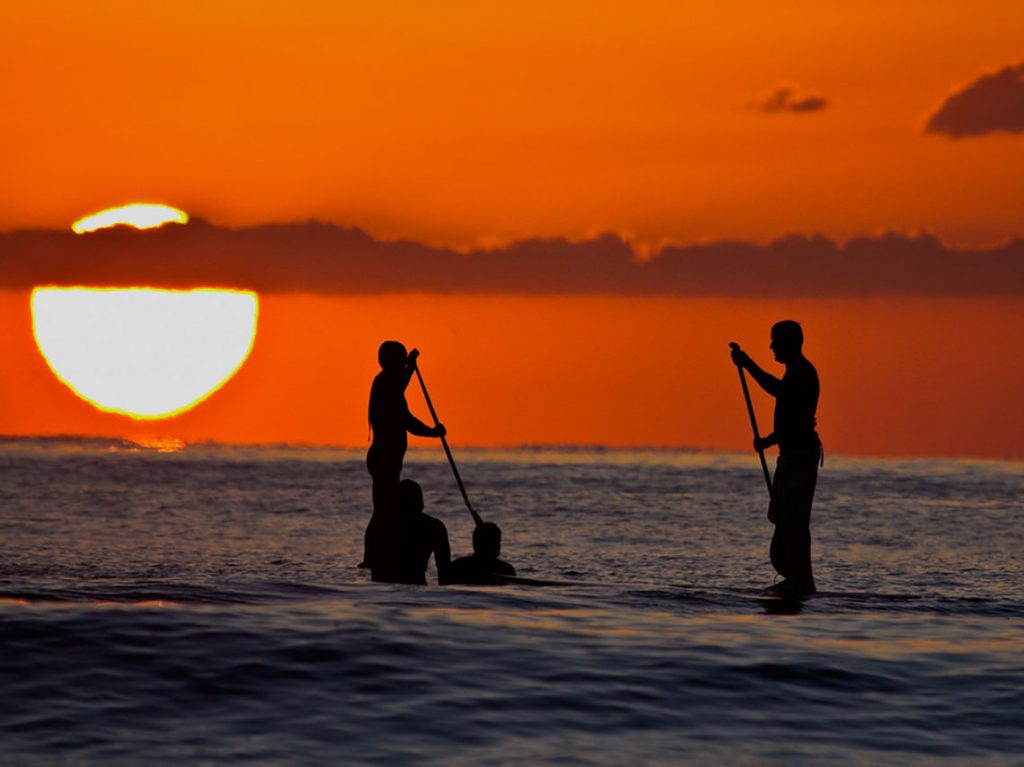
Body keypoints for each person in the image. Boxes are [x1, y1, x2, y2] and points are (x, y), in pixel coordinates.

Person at [731, 320, 821, 597]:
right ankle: (795, 577)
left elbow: (782, 397)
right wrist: (771, 441)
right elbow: (783, 400)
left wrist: (747, 364)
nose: (770, 346)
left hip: (800, 458)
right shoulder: (795, 372)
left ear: (788, 343)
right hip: (790, 456)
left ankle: (802, 581)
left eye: (774, 341)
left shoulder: (803, 373)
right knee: (783, 517)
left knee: (793, 520)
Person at [362, 341, 445, 568]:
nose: (403, 364)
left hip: (388, 457)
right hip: (383, 458)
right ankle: (370, 559)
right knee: (383, 509)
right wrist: (432, 432)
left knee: (386, 508)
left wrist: (410, 366)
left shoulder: (389, 384)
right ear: (389, 362)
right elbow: (407, 421)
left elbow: (400, 383)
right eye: (400, 360)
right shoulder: (386, 384)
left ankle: (379, 553)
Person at [371, 479, 451, 585]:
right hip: (419, 590)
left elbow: (374, 569)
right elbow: (445, 575)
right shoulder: (434, 527)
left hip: (386, 593)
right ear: (421, 504)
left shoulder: (382, 527)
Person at [443, 522, 516, 585]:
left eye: (498, 542)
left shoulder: (457, 566)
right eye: (494, 543)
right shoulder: (506, 569)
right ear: (476, 544)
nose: (497, 546)